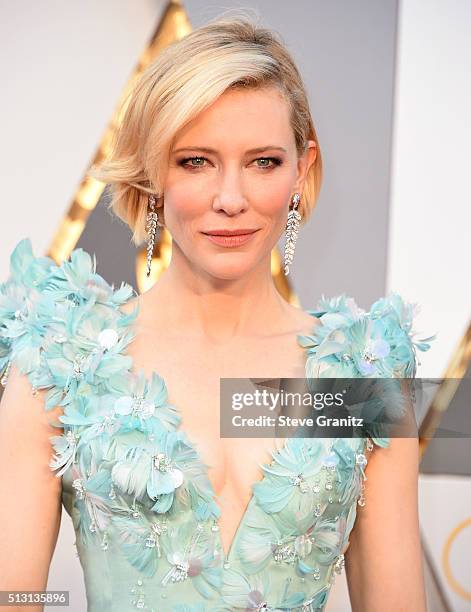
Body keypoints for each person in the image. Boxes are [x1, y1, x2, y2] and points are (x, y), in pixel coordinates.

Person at [0, 15, 435, 612]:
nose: (231, 199)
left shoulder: (359, 378)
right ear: (154, 173)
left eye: (263, 162)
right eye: (196, 161)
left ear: (301, 169)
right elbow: (12, 593)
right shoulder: (61, 360)